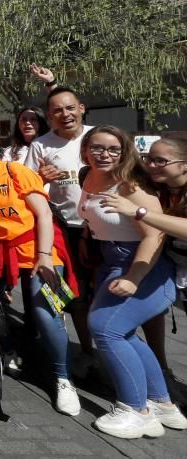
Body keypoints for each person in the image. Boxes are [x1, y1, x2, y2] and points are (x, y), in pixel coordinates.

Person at [0, 126, 81, 416]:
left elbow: (43, 214)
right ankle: (7, 350)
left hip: (37, 247)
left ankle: (64, 379)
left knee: (44, 313)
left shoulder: (16, 171)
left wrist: (43, 257)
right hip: (0, 252)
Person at [76, 126, 184, 438]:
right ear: (85, 150)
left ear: (125, 153)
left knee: (105, 329)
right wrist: (88, 233)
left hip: (142, 265)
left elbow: (156, 234)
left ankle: (136, 410)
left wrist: (133, 278)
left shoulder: (131, 186)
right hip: (110, 259)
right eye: (97, 147)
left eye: (113, 149)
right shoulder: (88, 176)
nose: (104, 154)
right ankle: (162, 404)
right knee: (121, 331)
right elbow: (94, 212)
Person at [24, 86, 95, 366]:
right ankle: (86, 353)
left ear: (81, 107)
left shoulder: (100, 136)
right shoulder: (41, 145)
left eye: (69, 108)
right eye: (57, 111)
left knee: (107, 294)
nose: (65, 114)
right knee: (75, 294)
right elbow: (29, 187)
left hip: (105, 228)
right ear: (49, 117)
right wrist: (40, 177)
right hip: (65, 229)